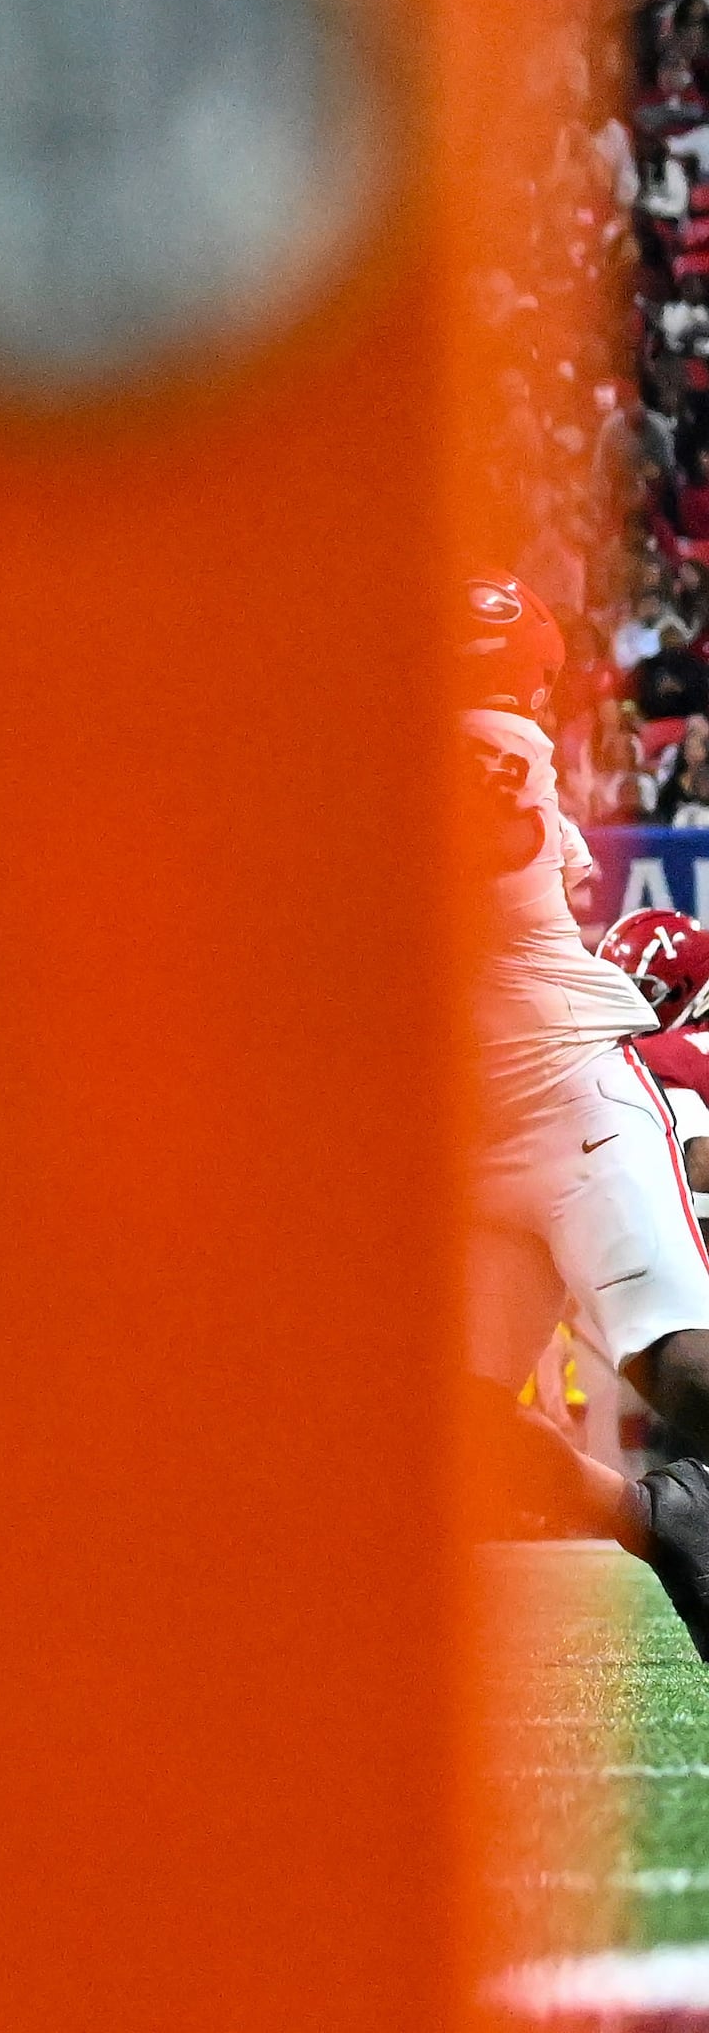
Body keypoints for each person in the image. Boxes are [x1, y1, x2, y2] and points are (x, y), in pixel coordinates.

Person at [452, 575, 709, 1645]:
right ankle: (660, 1520)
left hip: (571, 1105)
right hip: (466, 1153)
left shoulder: (487, 744)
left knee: (686, 1370)